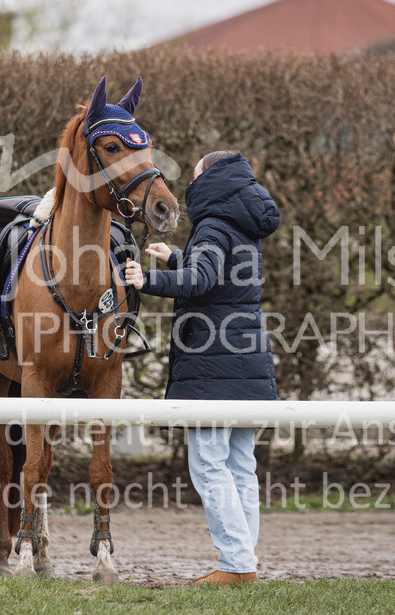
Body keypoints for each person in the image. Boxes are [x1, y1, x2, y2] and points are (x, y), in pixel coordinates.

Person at [124, 150, 280, 586]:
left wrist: (146, 280)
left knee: (209, 465)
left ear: (209, 180)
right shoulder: (243, 223)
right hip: (248, 363)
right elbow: (223, 277)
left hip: (215, 367)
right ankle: (243, 564)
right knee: (240, 466)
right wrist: (176, 258)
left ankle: (235, 566)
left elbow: (202, 281)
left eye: (194, 178)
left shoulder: (212, 225)